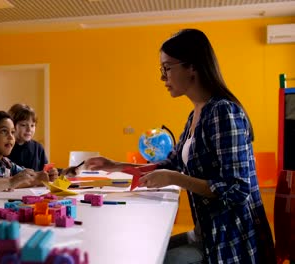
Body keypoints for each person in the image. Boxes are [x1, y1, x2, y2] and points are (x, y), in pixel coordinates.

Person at [84, 29, 275, 263]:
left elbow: (237, 188)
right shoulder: (196, 114)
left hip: (229, 241)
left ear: (191, 66)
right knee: (143, 250)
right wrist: (116, 165)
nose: (162, 78)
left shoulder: (223, 111)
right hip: (206, 233)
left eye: (166, 68)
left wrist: (176, 178)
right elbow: (171, 164)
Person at [0, 111, 49, 187]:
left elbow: (25, 174)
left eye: (12, 132)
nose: (11, 137)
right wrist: (37, 180)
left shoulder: (5, 162)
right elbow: (1, 184)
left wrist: (44, 175)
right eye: (4, 131)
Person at [7, 103, 58, 181]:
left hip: (35, 191)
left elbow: (46, 172)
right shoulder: (5, 148)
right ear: (12, 126)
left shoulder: (38, 147)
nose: (29, 130)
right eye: (23, 125)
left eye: (32, 125)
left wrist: (52, 174)